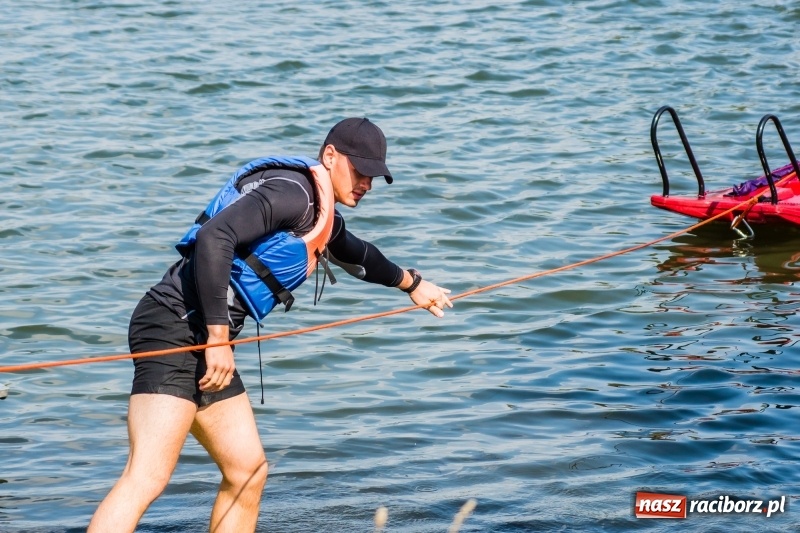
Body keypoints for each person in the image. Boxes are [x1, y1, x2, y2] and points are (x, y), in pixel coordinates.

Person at [88, 118, 453, 533]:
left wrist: (414, 285)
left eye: (375, 175)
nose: (367, 183)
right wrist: (219, 339)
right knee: (148, 476)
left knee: (247, 472)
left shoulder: (320, 211)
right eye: (361, 170)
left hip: (202, 336)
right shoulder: (292, 193)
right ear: (330, 156)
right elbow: (214, 237)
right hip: (175, 326)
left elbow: (360, 255)